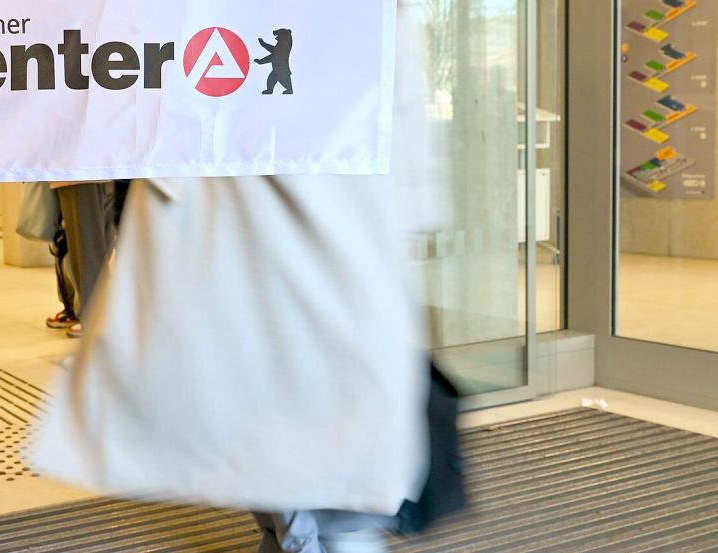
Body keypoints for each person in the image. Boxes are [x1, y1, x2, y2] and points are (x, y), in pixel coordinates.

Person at [30, 8, 449, 553]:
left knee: (311, 478)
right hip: (308, 255)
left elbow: (169, 132)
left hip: (305, 254)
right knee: (303, 471)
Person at [49, 180, 117, 338]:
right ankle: (79, 308)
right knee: (95, 243)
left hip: (79, 175)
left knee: (84, 244)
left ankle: (92, 315)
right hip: (108, 174)